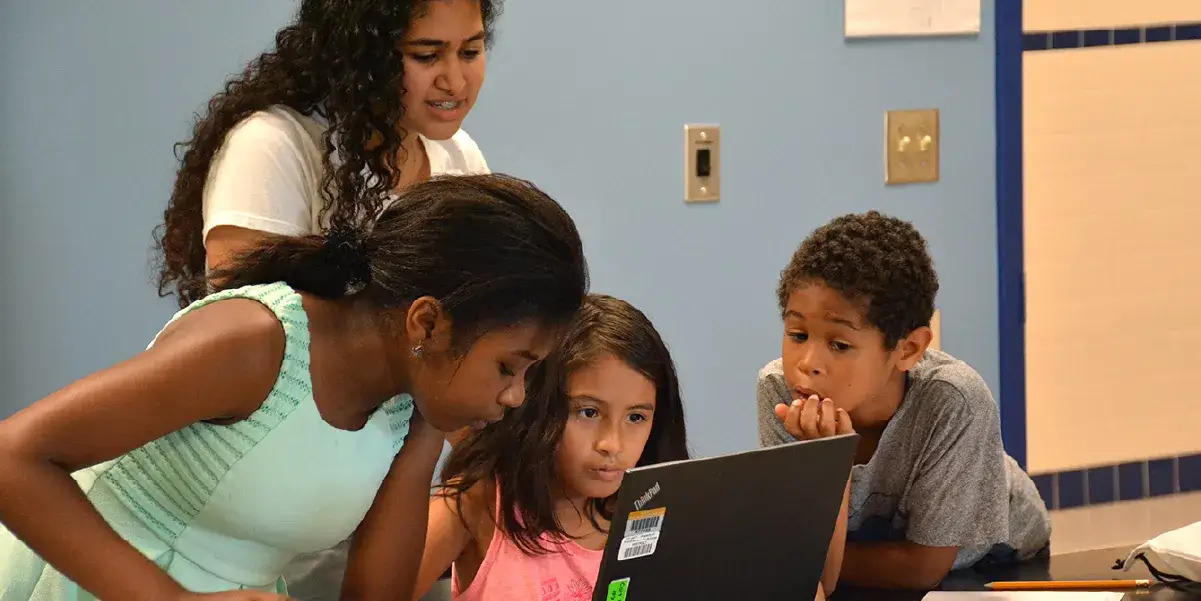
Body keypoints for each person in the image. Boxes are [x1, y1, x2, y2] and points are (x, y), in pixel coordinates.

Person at [0, 174, 588, 601]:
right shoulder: (255, 343)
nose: (516, 397)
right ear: (428, 323)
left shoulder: (411, 408)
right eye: (510, 368)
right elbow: (14, 457)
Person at [414, 294, 850, 601]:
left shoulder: (674, 511)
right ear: (539, 404)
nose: (613, 444)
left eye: (637, 417)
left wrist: (834, 461)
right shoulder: (476, 505)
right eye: (587, 412)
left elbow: (813, 586)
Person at [757, 211, 1052, 590]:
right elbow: (803, 551)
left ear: (908, 349)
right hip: (866, 561)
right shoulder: (779, 391)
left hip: (993, 563)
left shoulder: (955, 400)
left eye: (839, 345)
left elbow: (923, 568)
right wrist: (827, 464)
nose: (808, 364)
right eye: (797, 335)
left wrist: (794, 558)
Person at [154, 0, 498, 308]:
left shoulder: (461, 156)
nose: (455, 81)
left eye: (470, 52)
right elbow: (240, 331)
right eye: (426, 55)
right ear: (363, 53)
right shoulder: (271, 145)